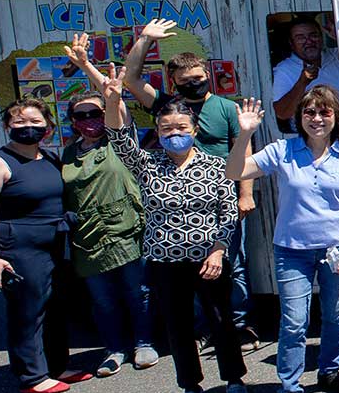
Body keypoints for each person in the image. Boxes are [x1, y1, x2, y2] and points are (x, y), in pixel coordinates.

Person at [86, 23, 259, 348]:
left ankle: (239, 324)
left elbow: (243, 147)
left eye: (199, 77)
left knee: (232, 264)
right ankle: (201, 328)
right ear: (174, 82)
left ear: (207, 74)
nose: (195, 83)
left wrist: (245, 193)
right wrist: (146, 39)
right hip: (177, 203)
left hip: (223, 198)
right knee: (188, 271)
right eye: (186, 81)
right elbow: (133, 80)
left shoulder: (226, 107)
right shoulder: (169, 107)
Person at [101, 70, 245, 393]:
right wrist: (112, 100)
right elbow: (118, 137)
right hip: (165, 261)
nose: (175, 134)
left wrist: (218, 249)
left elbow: (228, 210)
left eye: (181, 128)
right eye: (167, 129)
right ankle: (190, 387)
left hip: (209, 258)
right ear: (159, 133)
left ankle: (234, 380)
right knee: (177, 325)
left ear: (195, 131)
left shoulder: (215, 166)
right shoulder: (148, 165)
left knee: (221, 320)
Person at [229, 86, 339, 393]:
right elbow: (235, 171)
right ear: (300, 118)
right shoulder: (282, 150)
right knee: (294, 322)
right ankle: (290, 390)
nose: (317, 119)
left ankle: (329, 372)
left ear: (336, 117)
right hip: (292, 250)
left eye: (325, 112)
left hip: (336, 248)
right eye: (310, 113)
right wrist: (246, 133)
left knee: (335, 317)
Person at [0, 98, 91, 393]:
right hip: (20, 244)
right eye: (20, 122)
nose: (28, 128)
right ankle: (32, 375)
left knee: (55, 305)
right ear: (8, 126)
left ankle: (58, 365)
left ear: (48, 128)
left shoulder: (48, 157)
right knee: (28, 309)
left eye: (36, 122)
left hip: (55, 241)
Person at [59, 91, 157, 377]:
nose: (89, 120)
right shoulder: (67, 153)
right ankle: (114, 349)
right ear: (73, 122)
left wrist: (96, 77)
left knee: (137, 292)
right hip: (87, 237)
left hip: (125, 230)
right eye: (82, 115)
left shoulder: (119, 143)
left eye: (96, 113)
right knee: (102, 299)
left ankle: (143, 343)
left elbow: (120, 112)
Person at [271, 16, 339, 122]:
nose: (309, 41)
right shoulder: (284, 70)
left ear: (322, 37)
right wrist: (302, 82)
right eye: (300, 38)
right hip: (326, 127)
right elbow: (282, 113)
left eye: (313, 35)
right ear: (291, 43)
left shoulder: (337, 54)